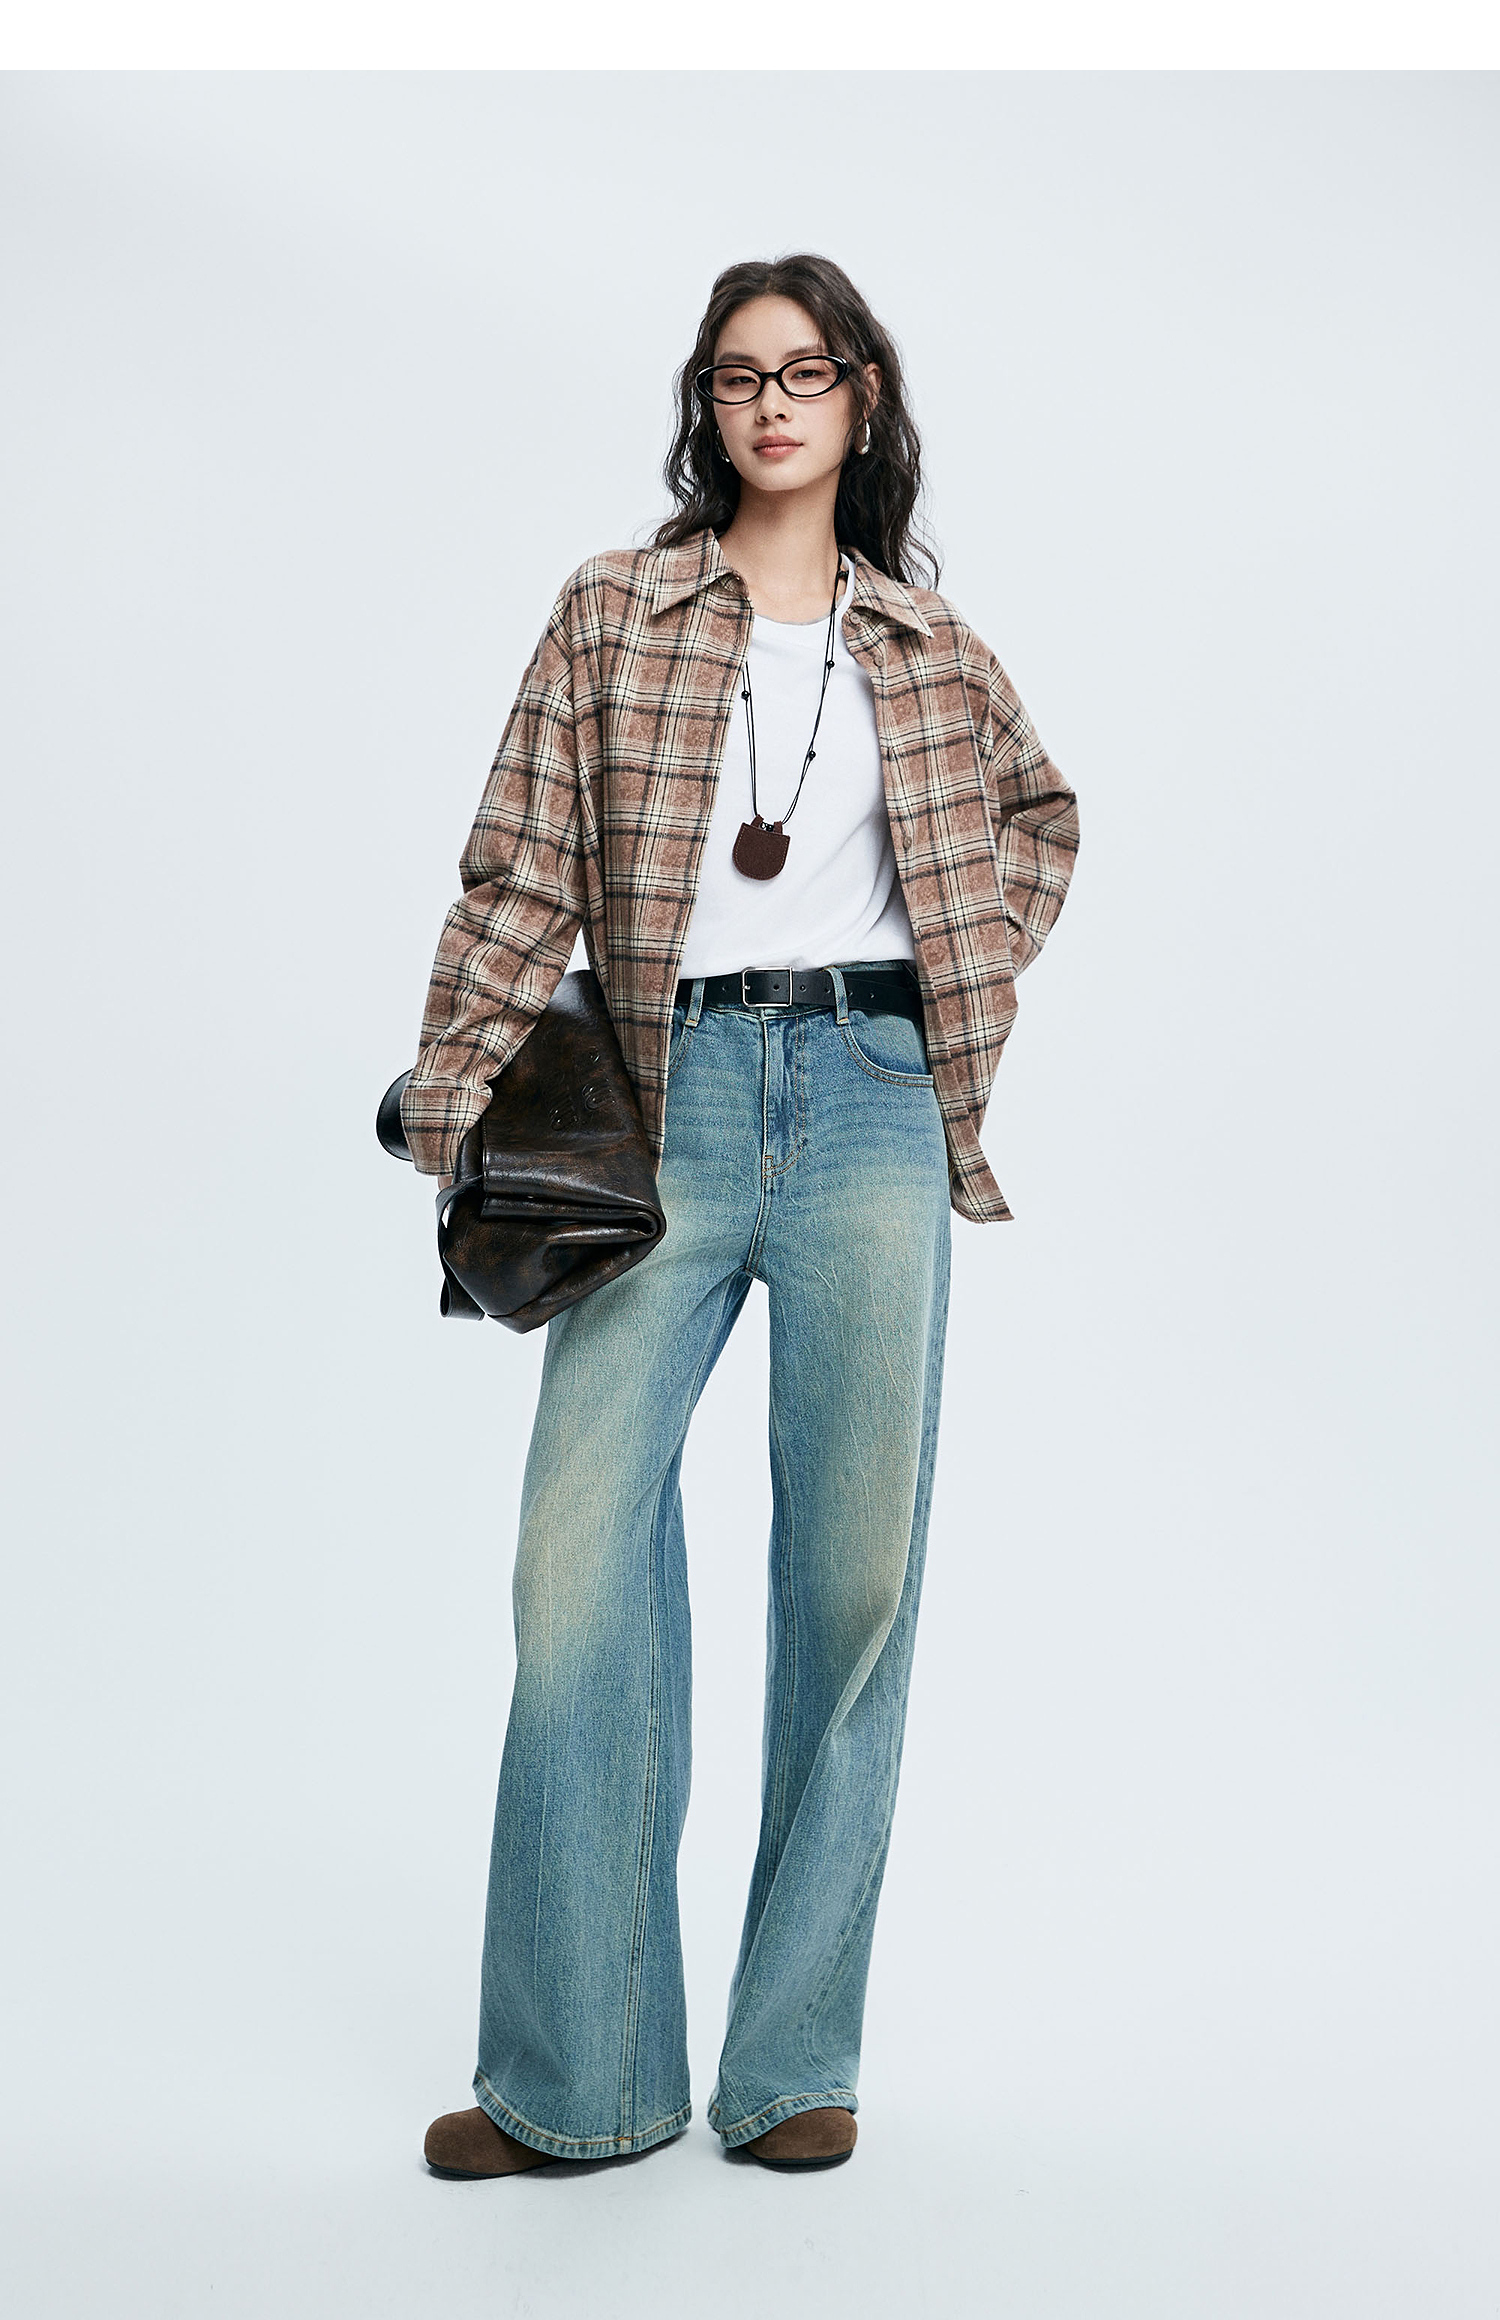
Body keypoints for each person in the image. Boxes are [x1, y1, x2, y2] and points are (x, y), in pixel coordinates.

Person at [401, 253, 1080, 2179]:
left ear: (863, 398)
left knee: (852, 1582)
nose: (771, 405)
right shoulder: (614, 611)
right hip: (665, 1096)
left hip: (869, 1100)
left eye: (805, 372)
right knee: (578, 1572)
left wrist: (959, 981)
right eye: (736, 377)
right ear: (706, 408)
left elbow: (1039, 824)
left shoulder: (928, 648)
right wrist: (453, 1091)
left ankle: (791, 2064)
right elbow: (519, 869)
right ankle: (583, 2078)